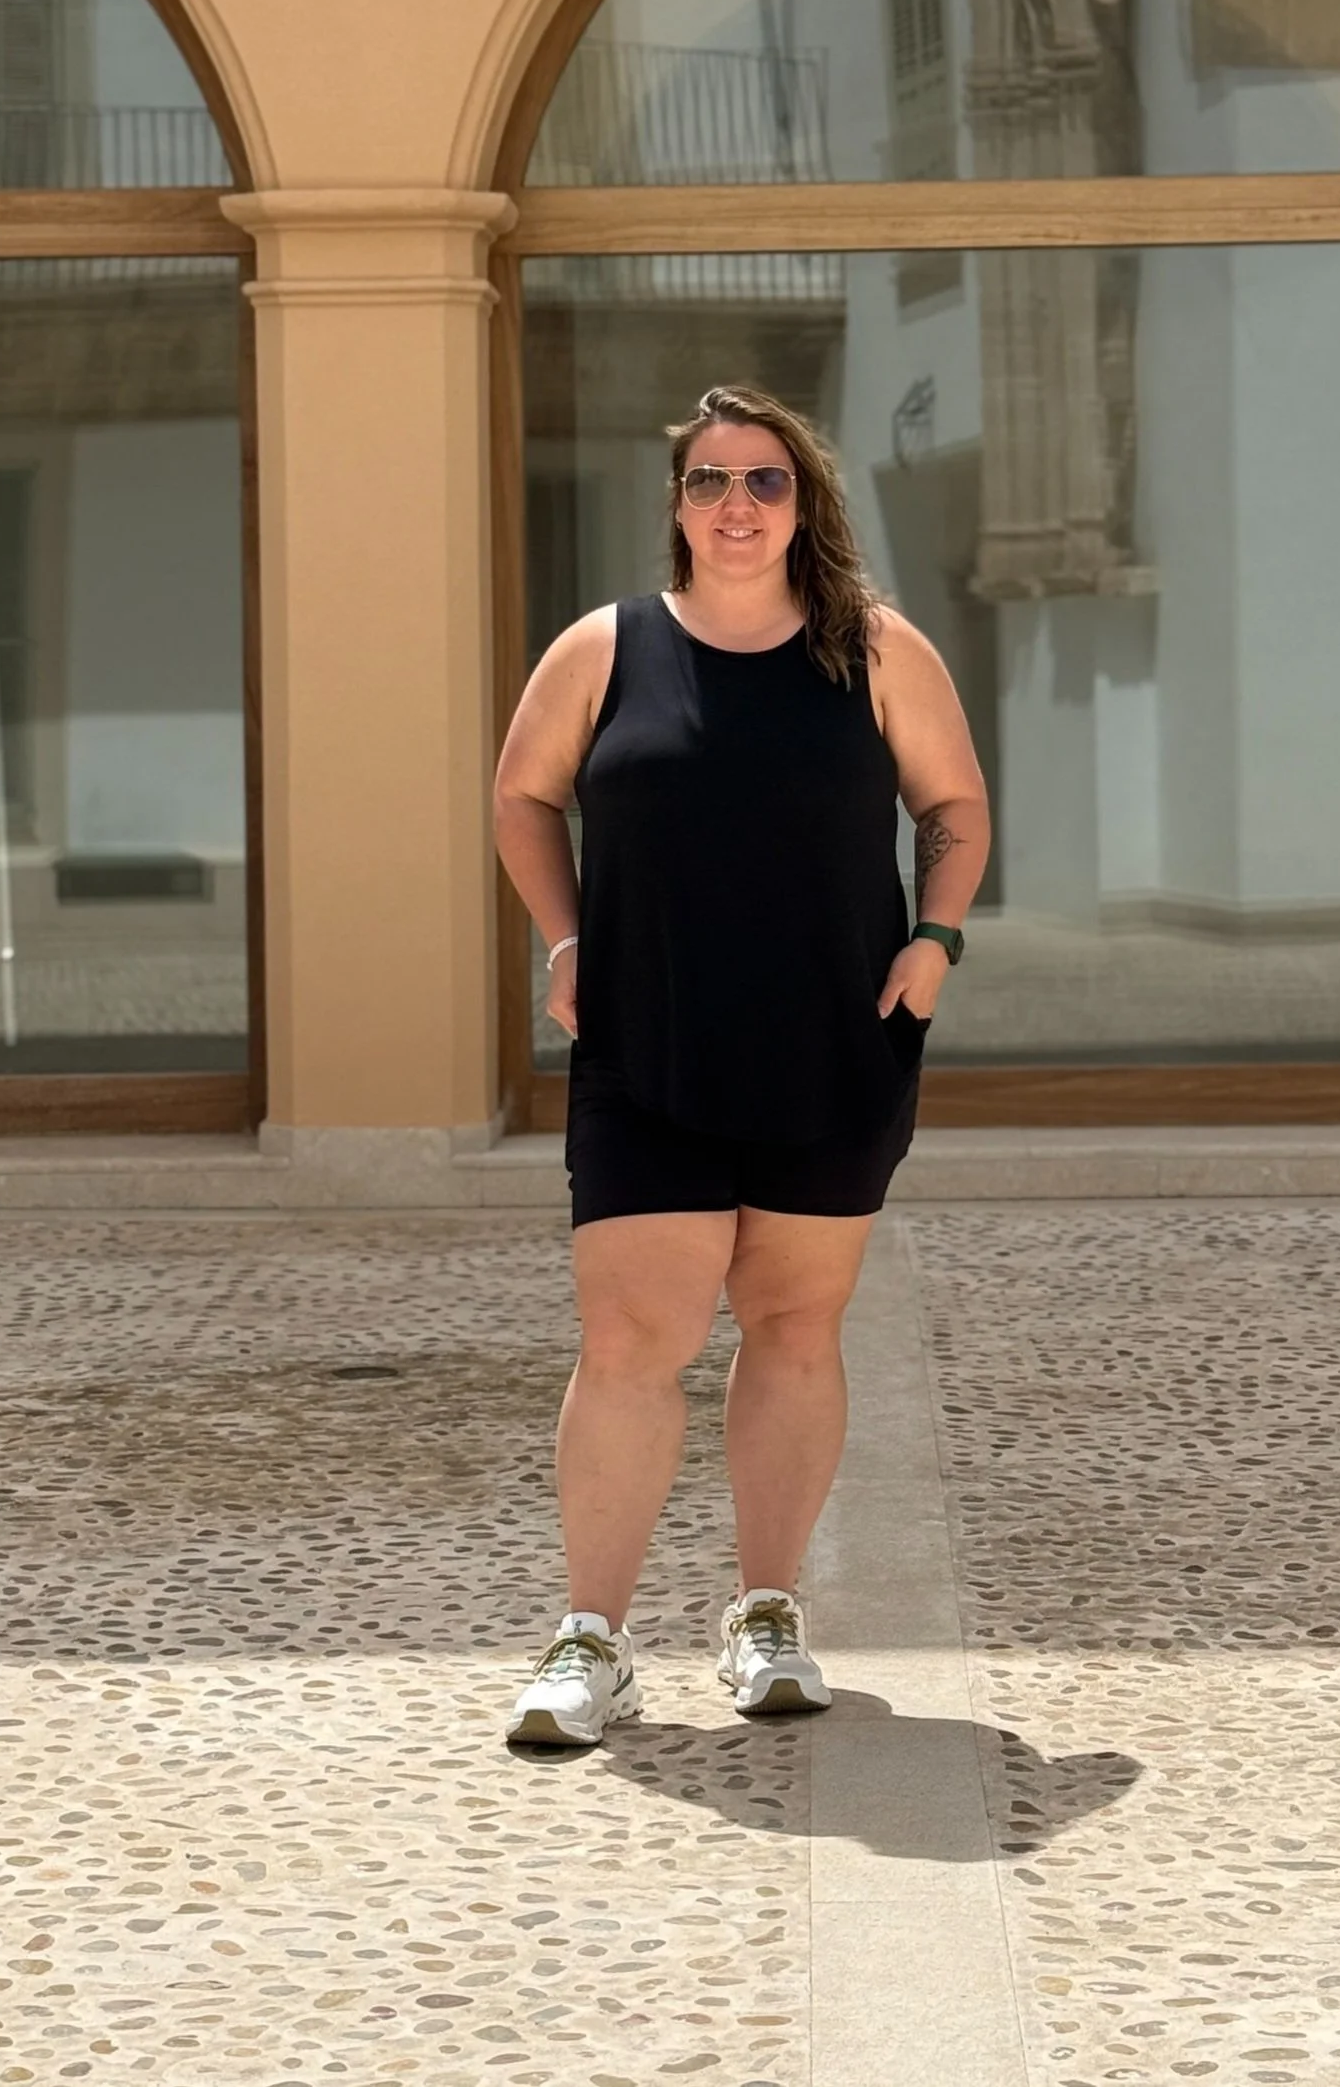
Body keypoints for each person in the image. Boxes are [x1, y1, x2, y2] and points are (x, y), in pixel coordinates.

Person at [493, 382, 990, 1747]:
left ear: (802, 502)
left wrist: (934, 939)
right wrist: (567, 932)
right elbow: (522, 792)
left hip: (835, 1038)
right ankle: (590, 1639)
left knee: (790, 1326)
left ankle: (767, 1613)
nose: (734, 505)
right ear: (677, 504)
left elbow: (950, 804)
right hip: (645, 1038)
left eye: (762, 482)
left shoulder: (878, 652)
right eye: (709, 481)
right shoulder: (603, 650)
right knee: (629, 1336)